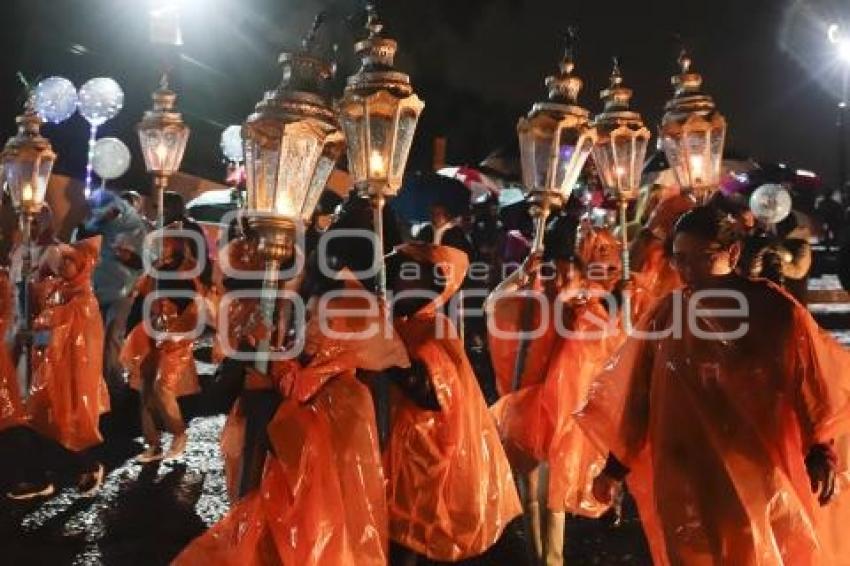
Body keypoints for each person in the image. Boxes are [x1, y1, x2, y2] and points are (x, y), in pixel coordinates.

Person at [577, 206, 850, 565]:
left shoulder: (775, 311)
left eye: (700, 258)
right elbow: (639, 395)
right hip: (683, 473)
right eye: (679, 260)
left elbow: (809, 385)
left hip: (753, 469)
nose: (688, 271)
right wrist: (615, 468)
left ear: (732, 253)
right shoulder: (668, 313)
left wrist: (819, 449)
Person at [174, 266, 408, 566]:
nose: (309, 330)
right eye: (308, 318)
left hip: (311, 523)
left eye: (322, 322)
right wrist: (259, 354)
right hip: (284, 512)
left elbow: (296, 440)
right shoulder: (304, 366)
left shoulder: (347, 394)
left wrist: (271, 377)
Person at [489, 220, 650, 565]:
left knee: (552, 494)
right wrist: (520, 273)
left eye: (568, 275)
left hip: (561, 414)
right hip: (526, 407)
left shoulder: (586, 313)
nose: (560, 282)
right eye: (554, 275)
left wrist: (622, 301)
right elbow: (494, 303)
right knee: (528, 492)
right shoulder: (534, 303)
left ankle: (552, 558)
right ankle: (537, 556)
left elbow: (616, 345)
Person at [384, 243, 521, 564]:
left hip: (420, 469)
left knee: (406, 547)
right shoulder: (402, 324)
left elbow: (432, 390)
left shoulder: (434, 330)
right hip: (395, 461)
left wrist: (389, 360)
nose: (398, 283)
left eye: (410, 275)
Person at [9, 237, 109, 499]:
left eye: (70, 262)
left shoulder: (83, 302)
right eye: (63, 260)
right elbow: (36, 298)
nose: (63, 265)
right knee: (46, 421)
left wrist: (36, 334)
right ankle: (52, 474)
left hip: (71, 373)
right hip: (52, 371)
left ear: (83, 266)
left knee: (64, 424)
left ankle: (84, 467)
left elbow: (56, 334)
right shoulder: (61, 291)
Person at [121, 231, 202, 462]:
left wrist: (176, 325)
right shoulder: (155, 269)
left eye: (168, 243)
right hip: (150, 331)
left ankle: (178, 432)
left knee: (162, 386)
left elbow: (193, 304)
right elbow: (142, 297)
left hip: (175, 334)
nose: (163, 247)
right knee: (145, 387)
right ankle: (153, 443)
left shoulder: (188, 268)